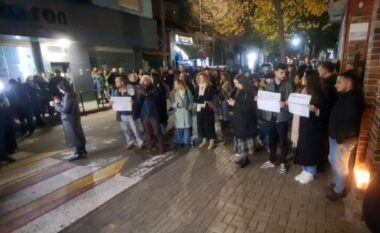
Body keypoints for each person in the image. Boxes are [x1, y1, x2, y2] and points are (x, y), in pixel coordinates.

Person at [326, 70, 364, 201]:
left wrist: (340, 138)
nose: (336, 85)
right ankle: (337, 184)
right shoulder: (345, 96)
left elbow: (351, 124)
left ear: (349, 84)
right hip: (336, 137)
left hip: (342, 139)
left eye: (339, 82)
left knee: (340, 165)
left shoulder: (353, 100)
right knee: (333, 160)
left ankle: (339, 190)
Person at [293, 70, 325, 184]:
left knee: (310, 148)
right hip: (304, 123)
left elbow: (325, 112)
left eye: (305, 77)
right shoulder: (305, 90)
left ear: (310, 79)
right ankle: (305, 170)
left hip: (314, 127)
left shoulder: (319, 93)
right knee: (304, 147)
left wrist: (315, 109)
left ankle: (311, 172)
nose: (302, 78)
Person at [260, 63, 292, 174]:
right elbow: (266, 100)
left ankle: (283, 162)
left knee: (283, 141)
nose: (284, 74)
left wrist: (286, 103)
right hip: (271, 117)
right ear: (275, 72)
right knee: (271, 140)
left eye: (285, 73)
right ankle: (272, 160)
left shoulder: (288, 85)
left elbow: (292, 101)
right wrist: (259, 99)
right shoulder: (269, 85)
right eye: (281, 72)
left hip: (282, 117)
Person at [227, 74, 257, 168]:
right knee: (240, 139)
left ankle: (245, 158)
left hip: (246, 121)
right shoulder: (238, 90)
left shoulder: (249, 93)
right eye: (234, 83)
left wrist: (234, 103)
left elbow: (249, 109)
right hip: (239, 119)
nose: (236, 85)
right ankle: (242, 157)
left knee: (244, 139)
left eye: (237, 83)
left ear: (243, 82)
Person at [53, 81, 87, 160]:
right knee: (78, 133)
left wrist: (56, 105)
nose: (60, 91)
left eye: (60, 89)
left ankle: (79, 152)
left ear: (63, 88)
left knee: (74, 135)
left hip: (69, 119)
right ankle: (82, 150)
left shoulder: (68, 96)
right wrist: (59, 103)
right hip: (73, 118)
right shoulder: (71, 95)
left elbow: (66, 110)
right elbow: (67, 106)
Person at [112, 76, 144, 150]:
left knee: (135, 129)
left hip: (131, 114)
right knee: (126, 130)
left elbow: (138, 99)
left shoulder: (130, 89)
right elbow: (114, 100)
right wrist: (111, 102)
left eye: (117, 81)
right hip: (122, 114)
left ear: (122, 82)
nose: (115, 83)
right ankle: (130, 142)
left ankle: (140, 142)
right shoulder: (116, 91)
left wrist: (134, 102)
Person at [318, 61, 338, 172]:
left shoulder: (327, 84)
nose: (318, 71)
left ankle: (322, 164)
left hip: (326, 117)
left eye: (319, 69)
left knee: (324, 141)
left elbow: (326, 104)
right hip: (330, 117)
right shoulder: (334, 80)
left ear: (325, 70)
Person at [139, 75, 165, 154]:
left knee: (157, 131)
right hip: (145, 114)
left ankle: (161, 146)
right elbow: (139, 101)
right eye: (143, 81)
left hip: (154, 113)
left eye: (146, 81)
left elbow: (156, 97)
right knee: (148, 131)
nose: (144, 82)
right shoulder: (140, 89)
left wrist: (146, 93)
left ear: (149, 81)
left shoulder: (154, 88)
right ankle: (152, 144)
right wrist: (140, 94)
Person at [194, 72, 217, 150]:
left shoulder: (210, 87)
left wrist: (201, 99)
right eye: (199, 78)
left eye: (202, 78)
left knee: (208, 124)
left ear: (206, 78)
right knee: (200, 124)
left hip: (208, 108)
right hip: (199, 108)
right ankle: (204, 139)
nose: (201, 79)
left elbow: (208, 98)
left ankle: (212, 140)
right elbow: (195, 98)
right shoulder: (197, 87)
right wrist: (201, 99)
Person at [171, 79, 193, 148]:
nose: (175, 86)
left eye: (176, 84)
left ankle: (187, 142)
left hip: (186, 112)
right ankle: (179, 141)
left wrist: (189, 107)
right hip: (178, 112)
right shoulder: (174, 93)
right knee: (178, 128)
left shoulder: (187, 91)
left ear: (180, 84)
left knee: (187, 127)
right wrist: (176, 105)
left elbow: (191, 101)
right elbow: (171, 103)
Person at [218, 72, 232, 137]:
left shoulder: (227, 82)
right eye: (221, 76)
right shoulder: (221, 82)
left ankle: (227, 127)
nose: (222, 77)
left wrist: (220, 86)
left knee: (225, 112)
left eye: (223, 76)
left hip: (225, 99)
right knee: (222, 112)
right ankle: (224, 126)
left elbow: (226, 90)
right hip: (221, 98)